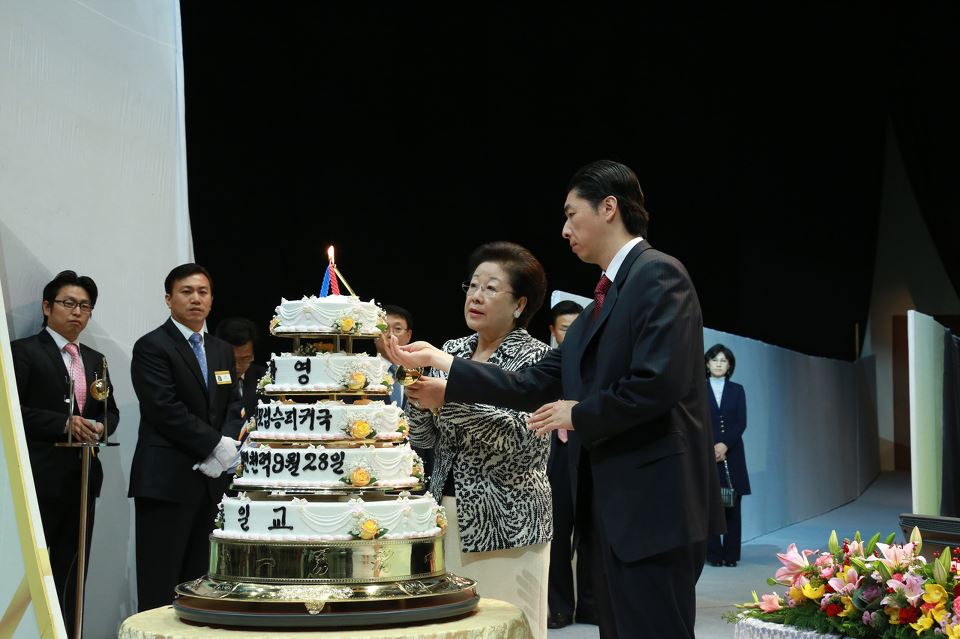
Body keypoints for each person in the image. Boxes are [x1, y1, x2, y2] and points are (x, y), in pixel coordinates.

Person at [384, 160, 725, 639]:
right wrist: (443, 363)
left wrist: (578, 412)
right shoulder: (598, 307)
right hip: (614, 512)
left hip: (654, 507)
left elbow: (657, 383)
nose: (564, 230)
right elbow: (529, 385)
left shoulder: (657, 274)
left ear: (609, 208)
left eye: (570, 214)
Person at [398, 242, 553, 639]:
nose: (476, 296)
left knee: (509, 626)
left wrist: (446, 400)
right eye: (472, 286)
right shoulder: (451, 351)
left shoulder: (537, 360)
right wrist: (417, 395)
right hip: (445, 515)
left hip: (508, 521)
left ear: (519, 304)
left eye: (491, 288)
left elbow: (524, 439)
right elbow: (424, 439)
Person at [128, 263, 243, 611]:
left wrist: (226, 446)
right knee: (160, 580)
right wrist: (215, 446)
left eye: (203, 292)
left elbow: (232, 404)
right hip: (166, 480)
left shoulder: (221, 349)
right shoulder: (152, 346)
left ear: (211, 300)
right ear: (169, 299)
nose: (196, 299)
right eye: (187, 291)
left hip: (211, 484)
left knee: (202, 582)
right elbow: (164, 408)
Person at [11, 270, 119, 637]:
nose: (77, 312)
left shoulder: (95, 358)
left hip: (83, 477)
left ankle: (70, 632)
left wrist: (101, 427)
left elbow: (110, 412)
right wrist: (63, 422)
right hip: (39, 478)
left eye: (85, 306)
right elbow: (12, 411)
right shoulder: (23, 352)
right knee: (32, 569)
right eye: (68, 303)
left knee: (74, 568)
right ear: (47, 307)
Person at [545, 300, 596, 629]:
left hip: (588, 451)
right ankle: (560, 606)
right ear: (553, 330)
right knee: (558, 532)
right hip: (556, 454)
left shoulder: (596, 365)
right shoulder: (545, 362)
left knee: (591, 531)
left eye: (579, 327)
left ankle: (592, 606)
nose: (573, 334)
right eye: (566, 328)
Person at [375, 304, 435, 483]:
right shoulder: (358, 375)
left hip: (417, 469)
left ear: (409, 335)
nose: (390, 335)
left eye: (397, 329)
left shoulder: (426, 376)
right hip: (373, 468)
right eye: (384, 328)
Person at [704, 344, 750, 568]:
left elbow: (741, 422)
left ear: (729, 365)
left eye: (723, 360)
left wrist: (724, 445)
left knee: (732, 504)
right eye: (714, 360)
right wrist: (711, 446)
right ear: (707, 364)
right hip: (706, 453)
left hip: (732, 454)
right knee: (710, 504)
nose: (718, 364)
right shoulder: (698, 389)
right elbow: (696, 421)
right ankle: (713, 554)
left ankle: (731, 555)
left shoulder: (737, 390)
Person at [215, 317, 266, 422]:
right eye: (232, 360)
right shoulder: (208, 379)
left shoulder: (265, 379)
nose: (237, 367)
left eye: (245, 359)